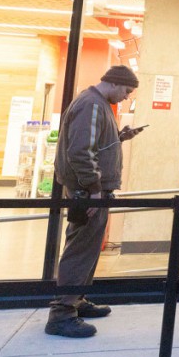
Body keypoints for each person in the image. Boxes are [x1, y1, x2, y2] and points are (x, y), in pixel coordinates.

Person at [45, 65, 144, 338]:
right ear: (114, 83)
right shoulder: (92, 105)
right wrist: (95, 190)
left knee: (86, 249)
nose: (126, 96)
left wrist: (119, 137)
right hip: (87, 193)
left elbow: (93, 145)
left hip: (89, 191)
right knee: (79, 251)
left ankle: (76, 301)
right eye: (126, 91)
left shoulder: (97, 104)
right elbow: (80, 152)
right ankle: (62, 313)